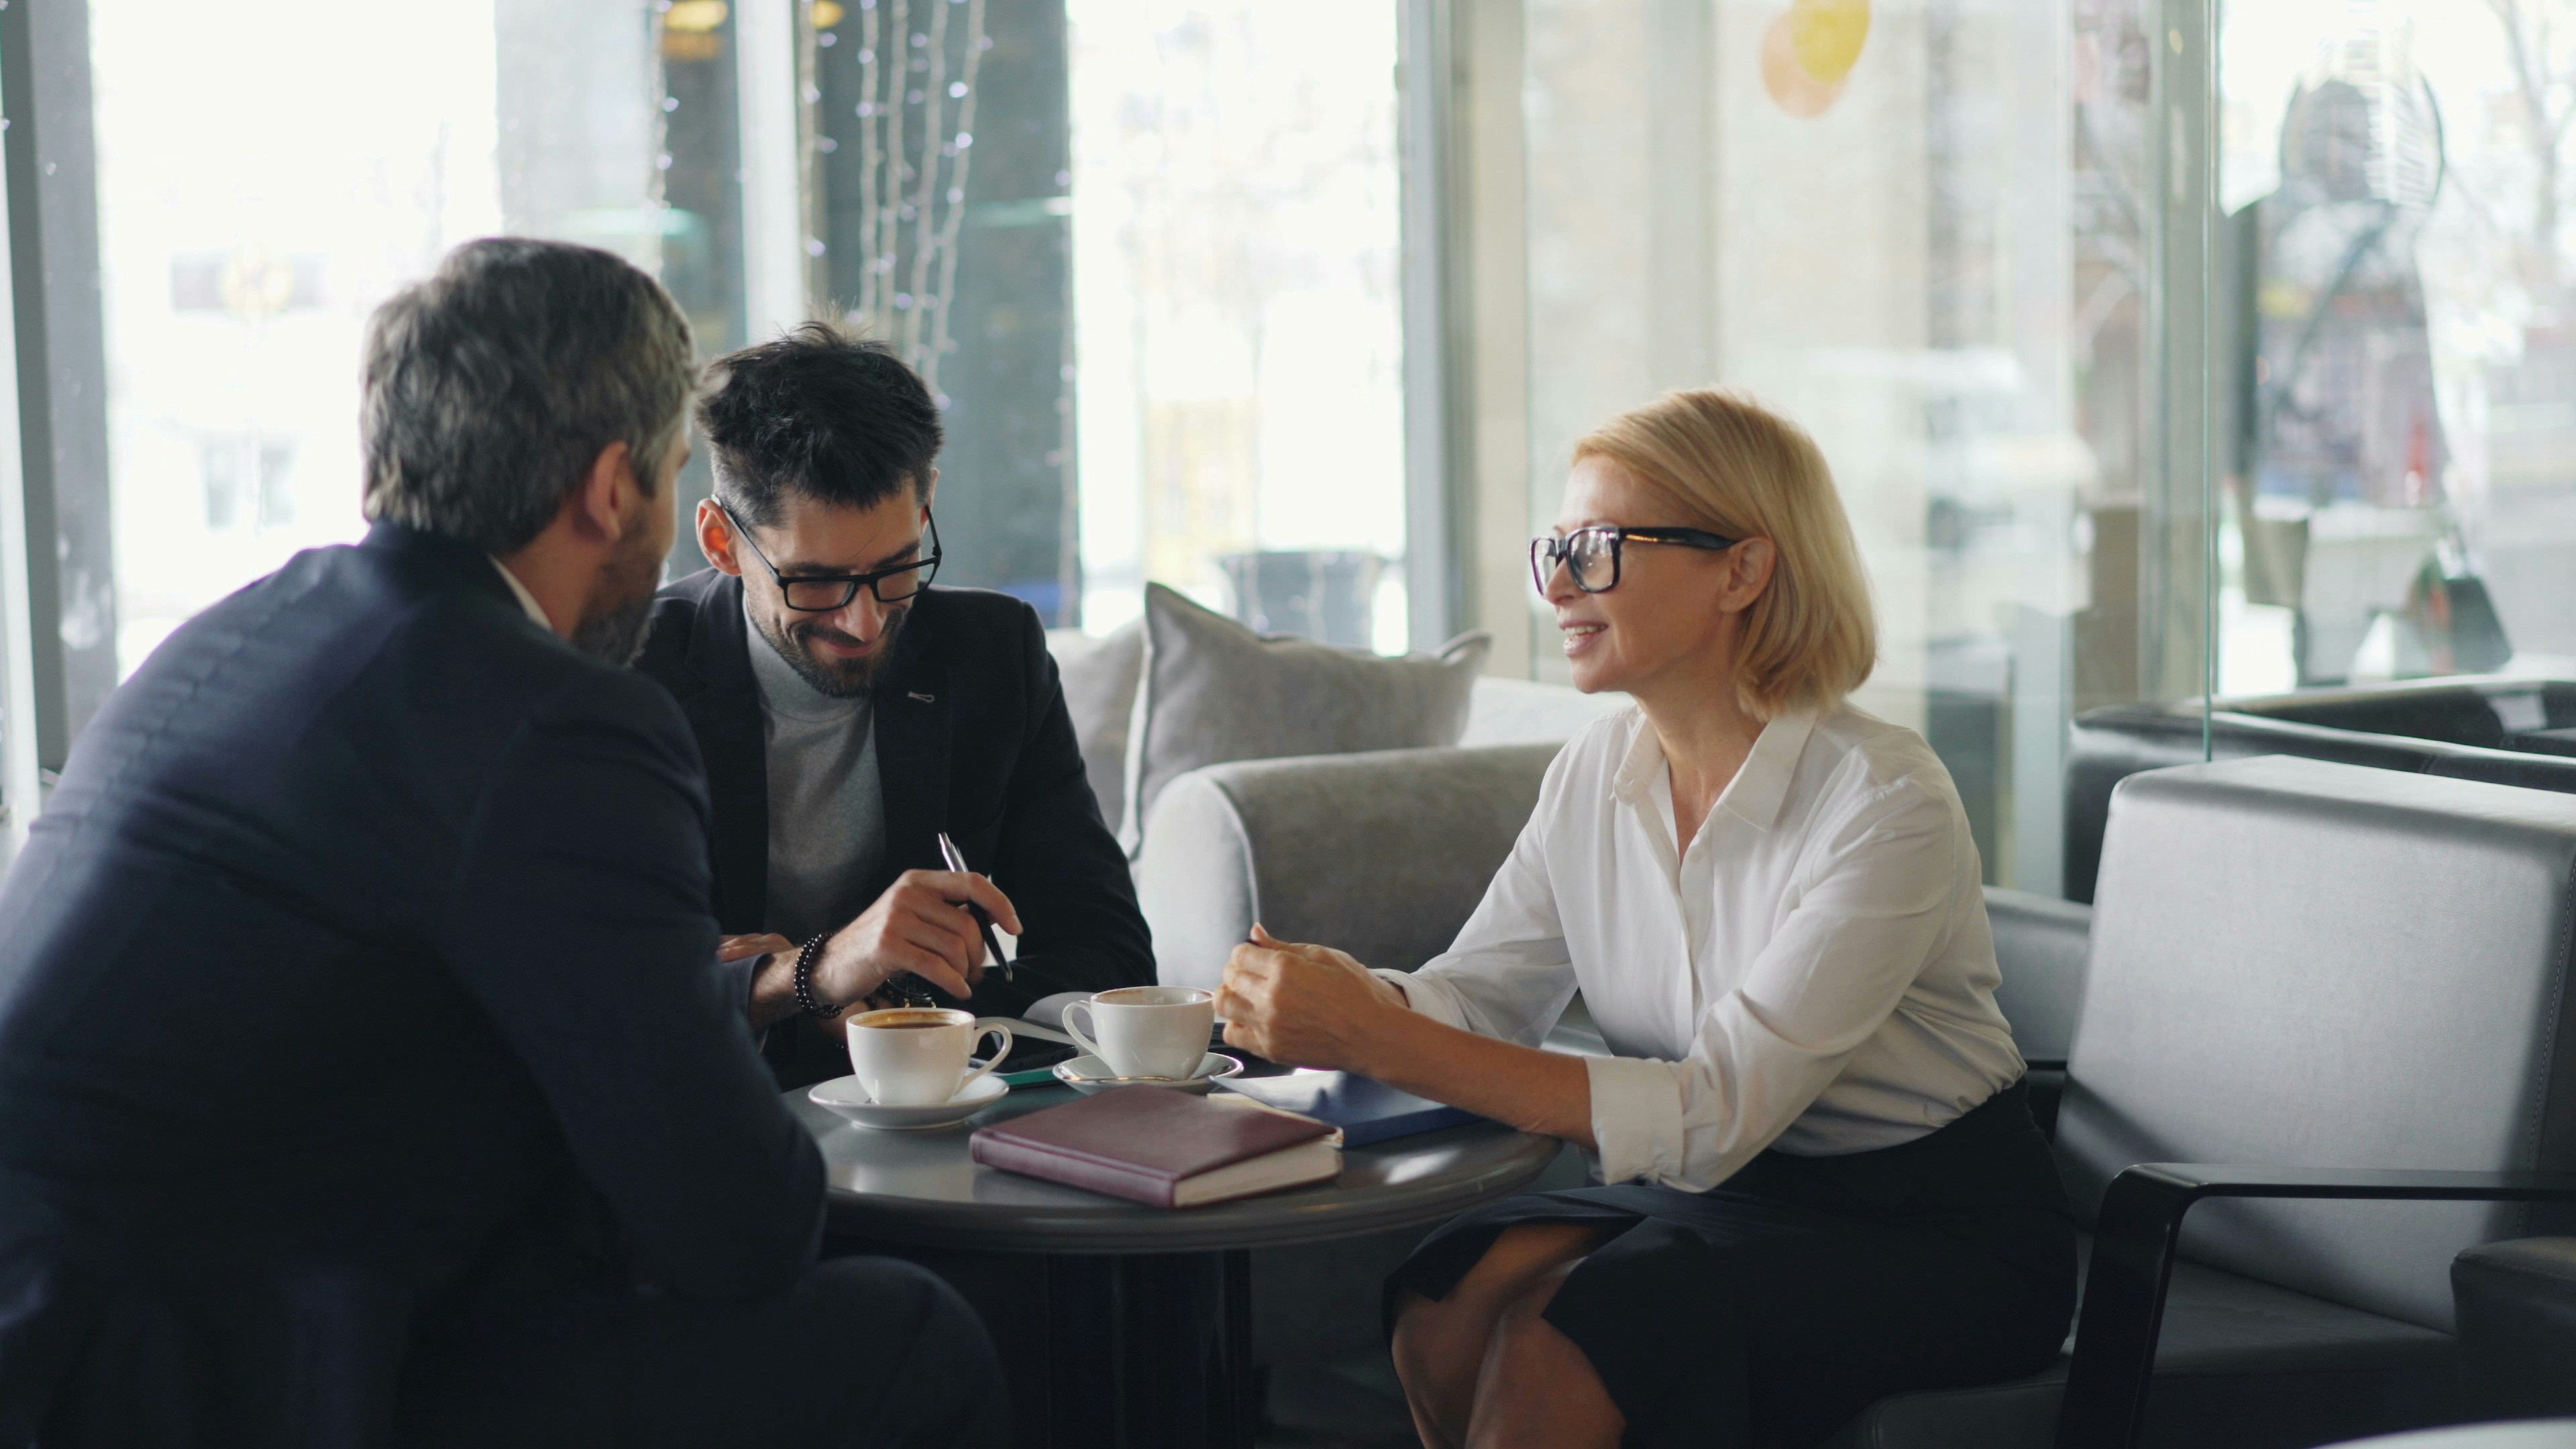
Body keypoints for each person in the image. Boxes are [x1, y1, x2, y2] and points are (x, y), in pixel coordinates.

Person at [0, 239, 1004, 1448]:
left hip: (70, 1339)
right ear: (611, 489)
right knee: (909, 1339)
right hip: (215, 1381)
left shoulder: (238, 636)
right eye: (668, 473)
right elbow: (742, 1226)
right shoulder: (553, 717)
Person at [1214, 390, 2077, 1449]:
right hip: (1724, 1190)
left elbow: (1712, 1114)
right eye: (1556, 550)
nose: (1559, 586)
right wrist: (1355, 1000)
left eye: (1599, 549)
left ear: (1743, 571)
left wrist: (1375, 1037)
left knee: (1569, 1341)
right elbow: (1481, 996)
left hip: (1936, 1229)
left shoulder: (1886, 799)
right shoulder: (1595, 771)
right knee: (1446, 1299)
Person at [635, 323, 1152, 1089]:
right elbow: (599, 993)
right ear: (721, 542)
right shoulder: (630, 676)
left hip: (932, 1111)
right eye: (815, 582)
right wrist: (817, 973)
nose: (864, 623)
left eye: (898, 567)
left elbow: (1112, 959)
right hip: (699, 1112)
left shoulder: (993, 655)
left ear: (926, 503)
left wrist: (875, 1006)